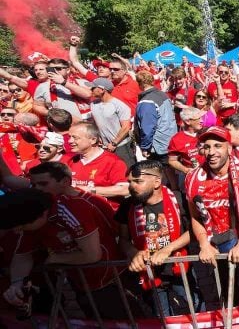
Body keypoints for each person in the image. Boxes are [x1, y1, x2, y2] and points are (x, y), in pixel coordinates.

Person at [0, 172, 130, 319]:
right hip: (82, 283)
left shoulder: (71, 209)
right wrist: (16, 284)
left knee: (126, 321)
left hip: (113, 280)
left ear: (42, 214)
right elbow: (22, 256)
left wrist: (55, 258)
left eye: (21, 226)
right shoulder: (31, 221)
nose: (17, 231)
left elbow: (92, 254)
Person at [185, 126, 239, 309]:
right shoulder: (193, 178)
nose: (211, 152)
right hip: (218, 249)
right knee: (230, 299)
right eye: (207, 146)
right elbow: (195, 217)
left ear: (229, 148)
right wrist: (204, 244)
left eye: (217, 146)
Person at [115, 160, 192, 316]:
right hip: (148, 271)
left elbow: (194, 231)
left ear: (157, 182)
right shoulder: (127, 205)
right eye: (129, 182)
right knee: (161, 314)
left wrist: (167, 249)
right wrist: (133, 252)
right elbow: (122, 239)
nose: (131, 186)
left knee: (194, 305)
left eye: (138, 181)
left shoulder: (178, 198)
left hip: (178, 264)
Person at [65, 121, 129, 200]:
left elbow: (125, 189)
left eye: (75, 137)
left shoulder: (113, 161)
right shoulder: (71, 161)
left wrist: (89, 190)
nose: (70, 141)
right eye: (69, 137)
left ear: (93, 140)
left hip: (106, 210)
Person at [89, 77, 136, 168]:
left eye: (93, 88)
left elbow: (126, 127)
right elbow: (96, 123)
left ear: (102, 90)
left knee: (127, 170)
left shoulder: (119, 106)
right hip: (104, 147)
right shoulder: (93, 104)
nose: (91, 90)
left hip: (121, 146)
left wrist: (114, 143)